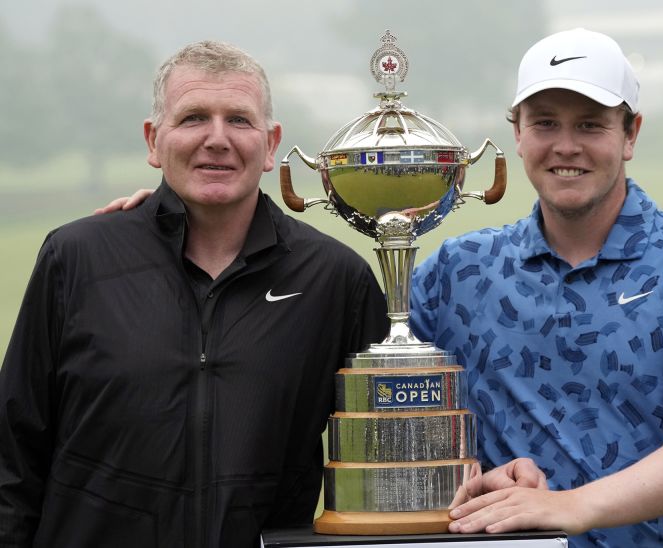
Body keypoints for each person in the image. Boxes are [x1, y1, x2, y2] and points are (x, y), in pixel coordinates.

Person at [0, 41, 388, 547]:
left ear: (271, 145)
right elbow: (13, 454)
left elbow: (382, 467)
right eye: (193, 118)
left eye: (240, 121)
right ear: (153, 139)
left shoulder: (335, 279)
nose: (217, 139)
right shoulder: (76, 259)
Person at [409, 28, 663, 546]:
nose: (566, 145)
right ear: (517, 133)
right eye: (545, 123)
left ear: (630, 135)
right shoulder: (456, 271)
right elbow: (403, 429)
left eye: (590, 125)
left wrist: (570, 507)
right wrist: (471, 478)